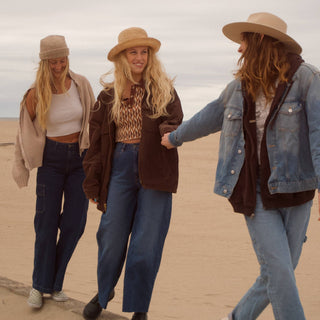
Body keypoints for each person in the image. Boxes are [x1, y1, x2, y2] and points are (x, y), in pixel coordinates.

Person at [161, 12, 320, 320]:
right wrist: (174, 138)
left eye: (243, 41)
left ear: (260, 39)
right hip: (254, 191)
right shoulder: (239, 88)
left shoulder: (307, 79)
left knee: (279, 272)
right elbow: (208, 117)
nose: (239, 49)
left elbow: (319, 133)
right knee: (280, 271)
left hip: (298, 190)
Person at [81, 27, 183, 320]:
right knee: (110, 239)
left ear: (150, 56)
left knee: (146, 244)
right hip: (120, 168)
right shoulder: (107, 96)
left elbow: (175, 120)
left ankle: (140, 308)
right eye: (133, 52)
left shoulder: (165, 90)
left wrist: (167, 132)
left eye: (144, 52)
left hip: (156, 168)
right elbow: (96, 145)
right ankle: (104, 294)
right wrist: (93, 183)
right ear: (123, 58)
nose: (139, 57)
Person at [12, 35, 95, 309]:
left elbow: (92, 122)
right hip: (51, 161)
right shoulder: (35, 93)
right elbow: (25, 131)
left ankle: (55, 283)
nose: (58, 66)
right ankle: (39, 285)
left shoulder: (81, 84)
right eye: (52, 62)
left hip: (80, 160)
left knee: (74, 224)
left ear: (67, 58)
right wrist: (25, 162)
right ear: (44, 62)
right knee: (45, 224)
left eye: (61, 60)